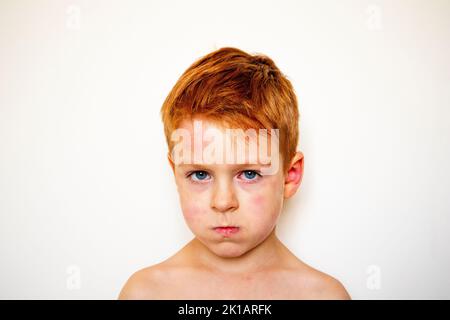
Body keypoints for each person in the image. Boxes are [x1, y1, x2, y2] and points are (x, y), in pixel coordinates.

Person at [119, 47, 350, 299]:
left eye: (249, 174)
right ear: (175, 174)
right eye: (200, 174)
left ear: (290, 175)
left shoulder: (323, 296)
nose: (223, 202)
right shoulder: (146, 293)